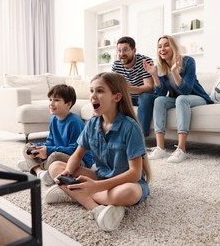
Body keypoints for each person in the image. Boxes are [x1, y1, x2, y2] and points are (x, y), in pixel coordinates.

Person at [44, 72, 151, 232]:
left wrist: (95, 187)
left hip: (126, 182)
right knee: (55, 167)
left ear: (116, 97)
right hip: (100, 177)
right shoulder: (92, 124)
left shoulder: (130, 127)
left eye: (100, 91)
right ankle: (96, 208)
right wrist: (67, 173)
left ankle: (73, 193)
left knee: (129, 193)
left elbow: (135, 174)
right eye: (91, 91)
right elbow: (77, 155)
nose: (93, 96)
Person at [144, 35, 213, 163]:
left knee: (181, 99)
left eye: (166, 45)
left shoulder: (188, 61)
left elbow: (186, 90)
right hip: (177, 99)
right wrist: (154, 75)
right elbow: (161, 93)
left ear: (173, 47)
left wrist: (175, 71)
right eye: (159, 46)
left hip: (198, 98)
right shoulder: (161, 67)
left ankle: (181, 149)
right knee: (159, 101)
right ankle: (160, 148)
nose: (162, 49)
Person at [17, 84, 93, 185]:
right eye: (50, 100)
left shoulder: (75, 122)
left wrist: (48, 151)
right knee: (28, 146)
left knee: (54, 155)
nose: (51, 104)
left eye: (56, 100)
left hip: (79, 161)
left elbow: (75, 151)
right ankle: (39, 171)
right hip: (59, 154)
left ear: (68, 104)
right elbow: (50, 142)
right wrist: (39, 148)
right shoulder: (54, 119)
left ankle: (34, 166)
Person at [111, 36, 157, 137]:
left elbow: (149, 88)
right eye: (119, 50)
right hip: (127, 96)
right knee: (110, 99)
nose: (122, 54)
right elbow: (113, 86)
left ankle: (140, 136)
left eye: (125, 50)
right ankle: (109, 134)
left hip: (145, 96)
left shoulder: (145, 61)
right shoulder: (116, 64)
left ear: (134, 50)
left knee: (145, 97)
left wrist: (129, 89)